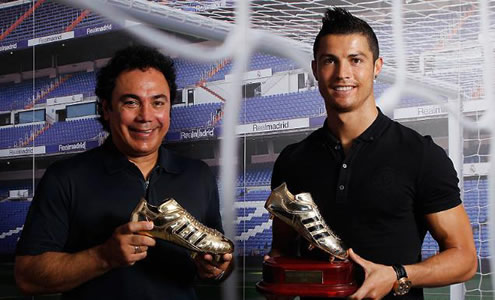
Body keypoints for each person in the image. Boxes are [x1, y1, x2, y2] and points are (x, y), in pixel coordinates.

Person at [267, 7, 477, 300]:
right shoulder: (292, 160)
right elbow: (282, 249)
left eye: (356, 60)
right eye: (330, 61)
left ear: (377, 67)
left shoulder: (421, 154)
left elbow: (465, 259)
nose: (343, 74)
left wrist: (398, 275)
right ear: (315, 69)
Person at [15, 45, 233, 300]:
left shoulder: (198, 175)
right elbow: (27, 276)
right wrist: (104, 256)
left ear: (169, 107)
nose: (146, 116)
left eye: (158, 102)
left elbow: (220, 260)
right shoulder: (65, 177)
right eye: (131, 102)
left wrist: (217, 268)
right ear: (107, 109)